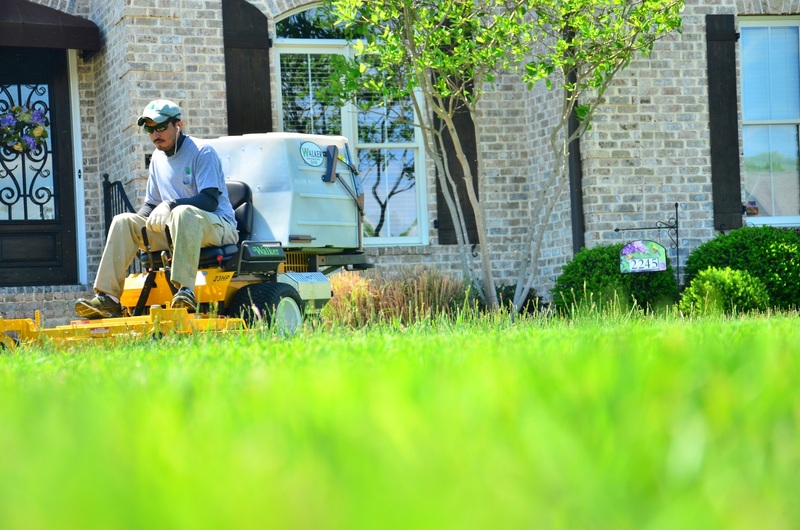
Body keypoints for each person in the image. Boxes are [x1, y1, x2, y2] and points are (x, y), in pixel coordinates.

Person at [75, 99, 238, 319]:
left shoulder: (202, 152)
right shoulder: (157, 159)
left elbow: (209, 200)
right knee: (124, 220)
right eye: (149, 129)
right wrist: (140, 226)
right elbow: (151, 204)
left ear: (178, 125)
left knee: (183, 213)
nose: (155, 134)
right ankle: (108, 299)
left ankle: (185, 291)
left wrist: (170, 205)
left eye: (161, 127)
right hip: (176, 228)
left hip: (217, 226)